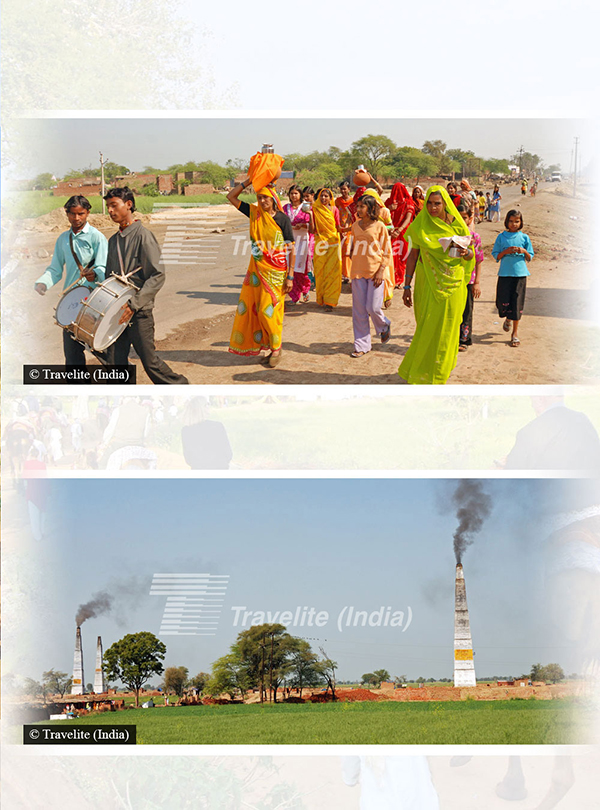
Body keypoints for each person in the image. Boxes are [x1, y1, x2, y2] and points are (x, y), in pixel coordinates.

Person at [103, 187, 189, 384]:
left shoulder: (143, 236)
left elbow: (157, 275)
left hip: (139, 312)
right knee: (115, 362)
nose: (110, 211)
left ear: (129, 205)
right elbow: (110, 278)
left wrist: (134, 304)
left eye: (114, 205)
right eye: (108, 206)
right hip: (117, 311)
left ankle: (181, 387)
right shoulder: (113, 241)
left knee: (150, 363)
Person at [398, 186, 473, 385]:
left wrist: (466, 254)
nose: (432, 208)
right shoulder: (419, 225)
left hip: (454, 284)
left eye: (437, 204)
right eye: (429, 203)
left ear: (445, 204)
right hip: (427, 283)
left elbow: (471, 253)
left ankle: (440, 373)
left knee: (448, 328)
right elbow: (412, 256)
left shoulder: (457, 224)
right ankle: (421, 371)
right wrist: (407, 286)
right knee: (427, 327)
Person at [227, 178, 295, 367]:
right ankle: (273, 346)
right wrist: (249, 181)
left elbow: (291, 248)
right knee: (258, 310)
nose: (263, 201)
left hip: (277, 272)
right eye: (259, 197)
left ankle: (276, 347)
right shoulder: (254, 213)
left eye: (266, 198)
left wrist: (290, 275)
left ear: (273, 199)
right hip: (258, 270)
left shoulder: (282, 219)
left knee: (268, 311)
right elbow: (230, 196)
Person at [34, 195, 107, 366]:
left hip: (94, 301)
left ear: (88, 212)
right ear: (67, 214)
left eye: (81, 213)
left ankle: (122, 382)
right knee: (72, 354)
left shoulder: (97, 237)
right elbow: (55, 269)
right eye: (72, 214)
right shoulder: (62, 239)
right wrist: (43, 282)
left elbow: (103, 267)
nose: (77, 218)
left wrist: (95, 274)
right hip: (70, 301)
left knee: (103, 350)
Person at [348, 195, 392, 357]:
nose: (358, 209)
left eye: (362, 207)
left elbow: (387, 251)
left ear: (371, 209)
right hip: (358, 272)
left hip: (375, 273)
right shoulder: (355, 226)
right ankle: (361, 345)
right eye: (357, 206)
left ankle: (383, 325)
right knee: (359, 311)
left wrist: (381, 270)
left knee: (372, 308)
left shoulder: (380, 226)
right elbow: (353, 247)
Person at [492, 209, 533, 347]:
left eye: (517, 221)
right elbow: (496, 256)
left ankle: (514, 334)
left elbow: (530, 257)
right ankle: (507, 318)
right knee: (502, 303)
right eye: (511, 221)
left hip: (520, 275)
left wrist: (523, 251)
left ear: (521, 222)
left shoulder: (524, 238)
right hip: (504, 274)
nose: (514, 224)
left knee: (517, 304)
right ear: (506, 222)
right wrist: (506, 251)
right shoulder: (501, 237)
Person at [309, 188, 342, 311]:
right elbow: (312, 230)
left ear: (330, 198)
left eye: (326, 196)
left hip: (333, 244)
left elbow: (337, 227)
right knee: (320, 272)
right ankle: (322, 298)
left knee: (332, 273)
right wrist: (310, 215)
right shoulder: (315, 209)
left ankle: (330, 301)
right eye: (321, 196)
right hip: (320, 244)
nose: (323, 198)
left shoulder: (334, 210)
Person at [456, 201, 484, 351]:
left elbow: (478, 261)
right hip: (453, 280)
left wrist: (477, 283)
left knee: (467, 310)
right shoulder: (450, 236)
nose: (462, 220)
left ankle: (464, 339)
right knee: (454, 311)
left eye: (464, 217)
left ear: (470, 219)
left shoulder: (475, 237)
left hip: (469, 280)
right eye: (458, 217)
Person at [181, 396, 233, 469]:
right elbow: (228, 454)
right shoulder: (217, 426)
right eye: (207, 404)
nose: (209, 406)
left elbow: (189, 459)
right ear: (203, 408)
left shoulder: (186, 431)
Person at [283, 185, 311, 304]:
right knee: (289, 266)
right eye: (292, 193)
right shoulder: (285, 208)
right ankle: (294, 296)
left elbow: (312, 224)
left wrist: (303, 225)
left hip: (302, 239)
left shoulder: (305, 207)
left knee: (301, 268)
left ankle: (305, 289)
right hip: (289, 239)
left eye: (296, 193)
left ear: (300, 195)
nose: (294, 196)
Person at [385, 183, 415, 288]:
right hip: (393, 232)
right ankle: (393, 279)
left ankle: (399, 279)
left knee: (401, 256)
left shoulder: (408, 202)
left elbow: (408, 218)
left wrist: (397, 230)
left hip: (401, 233)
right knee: (393, 256)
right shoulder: (389, 203)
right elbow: (384, 217)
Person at [335, 181, 355, 284]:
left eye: (345, 189)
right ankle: (342, 273)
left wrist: (346, 228)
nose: (343, 191)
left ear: (349, 189)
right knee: (340, 251)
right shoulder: (337, 201)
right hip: (339, 228)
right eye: (341, 189)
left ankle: (347, 274)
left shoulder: (353, 201)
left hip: (349, 229)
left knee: (348, 251)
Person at [302, 186, 316, 289]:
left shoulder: (317, 207)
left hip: (317, 235)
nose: (305, 199)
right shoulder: (304, 207)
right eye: (304, 197)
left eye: (307, 196)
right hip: (307, 235)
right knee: (308, 259)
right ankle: (310, 281)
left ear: (313, 195)